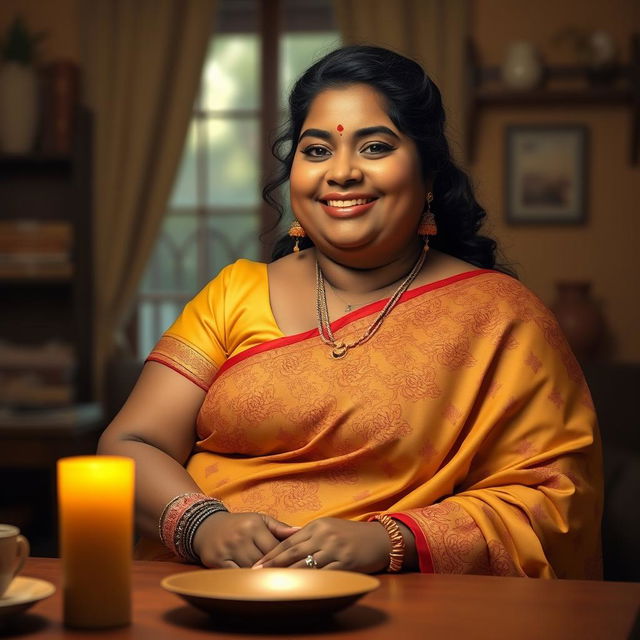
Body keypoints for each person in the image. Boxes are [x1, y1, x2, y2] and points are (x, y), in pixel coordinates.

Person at [98, 45, 602, 578]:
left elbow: (554, 498)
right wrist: (203, 525)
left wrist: (392, 541)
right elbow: (130, 443)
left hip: (399, 605)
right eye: (316, 150)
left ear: (428, 173)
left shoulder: (502, 318)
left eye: (375, 147)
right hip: (213, 591)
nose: (341, 173)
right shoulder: (234, 294)